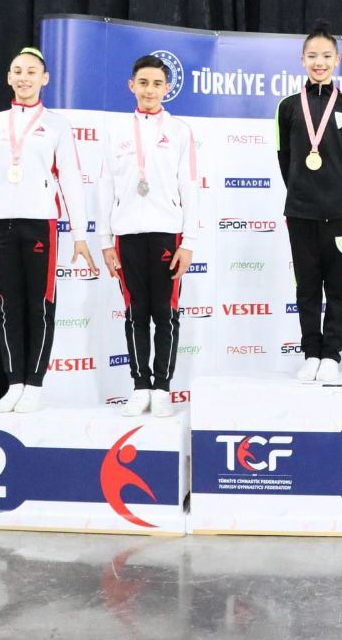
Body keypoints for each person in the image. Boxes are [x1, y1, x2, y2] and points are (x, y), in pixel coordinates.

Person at [0, 47, 96, 414]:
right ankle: (14, 384)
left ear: (45, 79)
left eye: (31, 72)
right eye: (17, 71)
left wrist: (80, 234)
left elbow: (71, 179)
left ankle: (34, 384)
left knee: (39, 306)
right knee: (7, 306)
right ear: (9, 78)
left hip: (41, 223)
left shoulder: (57, 125)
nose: (24, 78)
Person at [97, 54, 200, 417]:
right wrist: (105, 241)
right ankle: (140, 386)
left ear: (167, 88)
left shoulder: (180, 131)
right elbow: (105, 186)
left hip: (167, 235)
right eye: (143, 83)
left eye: (157, 84)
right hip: (126, 235)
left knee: (166, 314)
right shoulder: (116, 131)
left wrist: (189, 242)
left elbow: (190, 187)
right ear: (132, 86)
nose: (150, 90)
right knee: (135, 313)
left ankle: (162, 388)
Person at [275, 21, 342, 382]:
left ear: (337, 60)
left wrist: (337, 192)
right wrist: (303, 190)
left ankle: (331, 354)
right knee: (307, 286)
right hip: (300, 211)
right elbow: (285, 159)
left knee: (338, 287)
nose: (319, 62)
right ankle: (311, 352)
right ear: (302, 60)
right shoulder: (287, 107)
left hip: (338, 211)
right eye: (312, 56)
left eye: (326, 56)